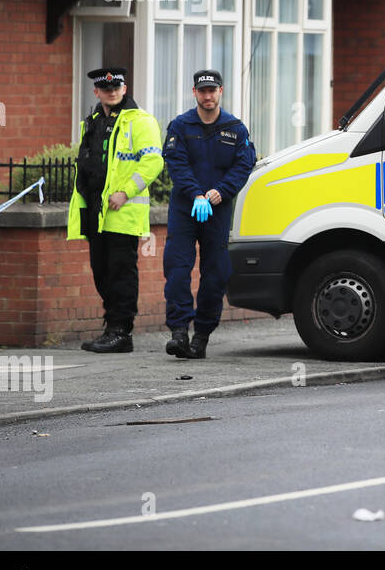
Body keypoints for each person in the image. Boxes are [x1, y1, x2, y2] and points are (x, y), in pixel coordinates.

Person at [161, 70, 256, 360]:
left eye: (212, 90)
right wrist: (196, 194)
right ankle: (179, 332)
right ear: (194, 93)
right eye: (203, 91)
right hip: (185, 207)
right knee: (177, 269)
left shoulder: (235, 128)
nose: (208, 96)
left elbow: (244, 164)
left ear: (220, 92)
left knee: (215, 274)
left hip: (217, 209)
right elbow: (176, 163)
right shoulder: (181, 125)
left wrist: (220, 192)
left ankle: (201, 336)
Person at [67, 68, 163, 352]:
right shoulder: (93, 121)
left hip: (123, 211)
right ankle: (111, 326)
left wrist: (126, 192)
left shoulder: (141, 121)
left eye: (116, 86)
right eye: (105, 88)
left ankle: (122, 332)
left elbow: (153, 163)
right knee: (101, 271)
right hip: (96, 210)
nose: (111, 91)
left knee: (120, 272)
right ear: (97, 91)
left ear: (124, 88)